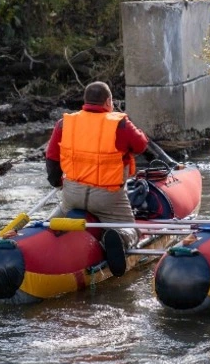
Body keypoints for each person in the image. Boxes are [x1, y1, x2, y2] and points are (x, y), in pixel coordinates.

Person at [45, 81, 149, 277]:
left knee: (54, 219)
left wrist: (57, 182)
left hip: (72, 194)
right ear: (108, 101)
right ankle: (119, 236)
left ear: (85, 101)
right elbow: (141, 145)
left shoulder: (65, 123)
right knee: (131, 229)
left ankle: (44, 237)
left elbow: (51, 159)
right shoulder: (120, 123)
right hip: (107, 198)